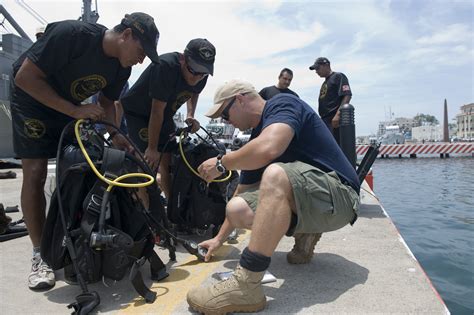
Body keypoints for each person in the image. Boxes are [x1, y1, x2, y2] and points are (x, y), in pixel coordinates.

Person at [10, 12, 160, 291]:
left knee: (83, 167)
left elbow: (106, 103)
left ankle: (73, 239)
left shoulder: (120, 67)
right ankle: (39, 255)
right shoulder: (72, 35)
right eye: (141, 51)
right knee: (35, 172)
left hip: (69, 104)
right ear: (126, 35)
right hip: (31, 99)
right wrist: (74, 110)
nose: (141, 60)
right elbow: (24, 78)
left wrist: (115, 134)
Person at [186, 79, 360, 314]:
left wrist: (221, 162)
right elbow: (242, 192)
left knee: (275, 174)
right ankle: (305, 232)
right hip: (315, 201)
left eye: (225, 114)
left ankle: (246, 284)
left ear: (240, 99)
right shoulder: (258, 135)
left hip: (341, 197)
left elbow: (270, 148)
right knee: (237, 208)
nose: (226, 121)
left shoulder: (283, 104)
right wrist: (218, 239)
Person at [120, 38, 216, 200]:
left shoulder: (202, 74)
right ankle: (145, 213)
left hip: (165, 115)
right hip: (139, 113)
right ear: (183, 59)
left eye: (202, 73)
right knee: (145, 163)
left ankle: (171, 212)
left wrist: (190, 114)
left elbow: (195, 91)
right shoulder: (166, 67)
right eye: (193, 71)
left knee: (167, 164)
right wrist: (151, 148)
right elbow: (156, 110)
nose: (196, 77)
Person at [309, 57, 352, 144]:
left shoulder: (338, 76)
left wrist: (338, 115)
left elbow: (347, 95)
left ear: (326, 65)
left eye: (318, 68)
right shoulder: (325, 82)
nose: (316, 71)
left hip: (334, 120)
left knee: (336, 146)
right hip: (325, 120)